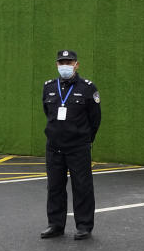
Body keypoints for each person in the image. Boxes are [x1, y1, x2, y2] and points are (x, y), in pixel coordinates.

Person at [40, 50, 101, 240]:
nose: (65, 65)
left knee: (82, 187)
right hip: (54, 147)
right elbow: (46, 111)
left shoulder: (88, 88)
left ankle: (84, 226)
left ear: (77, 65)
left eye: (69, 62)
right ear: (57, 65)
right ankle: (56, 225)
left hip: (78, 147)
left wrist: (84, 139)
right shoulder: (49, 87)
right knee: (55, 187)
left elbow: (95, 119)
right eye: (61, 62)